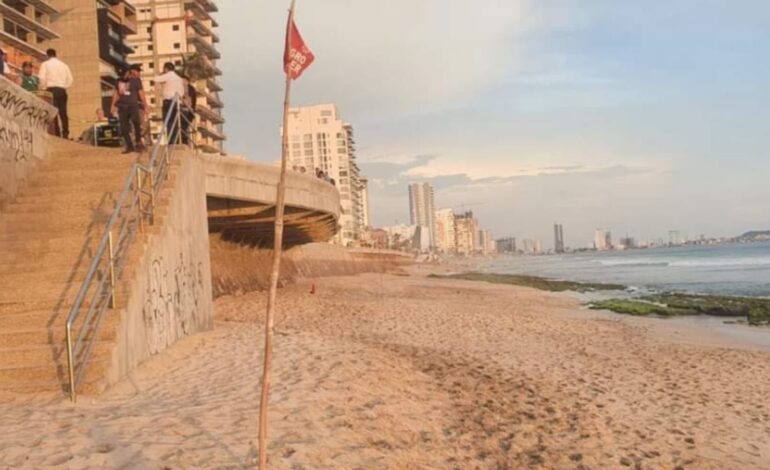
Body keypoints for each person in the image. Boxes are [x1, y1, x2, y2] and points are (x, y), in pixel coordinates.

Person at [110, 67, 147, 153]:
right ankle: (129, 146)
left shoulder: (136, 81)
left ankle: (138, 142)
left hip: (133, 106)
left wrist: (145, 104)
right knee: (124, 127)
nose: (123, 76)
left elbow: (141, 93)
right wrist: (112, 105)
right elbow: (116, 93)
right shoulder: (118, 81)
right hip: (122, 106)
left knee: (136, 123)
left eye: (124, 74)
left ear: (128, 73)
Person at [38, 49, 73, 139]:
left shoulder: (45, 64)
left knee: (53, 112)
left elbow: (41, 78)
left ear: (47, 55)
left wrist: (43, 88)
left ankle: (56, 132)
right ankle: (65, 132)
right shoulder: (64, 65)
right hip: (62, 90)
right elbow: (70, 80)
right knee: (63, 112)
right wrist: (64, 86)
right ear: (55, 54)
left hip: (51, 89)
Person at [153, 62, 185, 144]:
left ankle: (171, 141)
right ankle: (176, 141)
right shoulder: (179, 78)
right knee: (176, 123)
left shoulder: (168, 75)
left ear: (166, 69)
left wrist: (160, 74)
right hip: (178, 102)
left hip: (169, 101)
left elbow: (156, 79)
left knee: (168, 122)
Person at [179, 73, 197, 145]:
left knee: (183, 127)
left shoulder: (189, 88)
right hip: (186, 111)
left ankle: (185, 142)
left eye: (183, 80)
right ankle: (185, 142)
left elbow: (192, 100)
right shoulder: (190, 88)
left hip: (186, 111)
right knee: (183, 128)